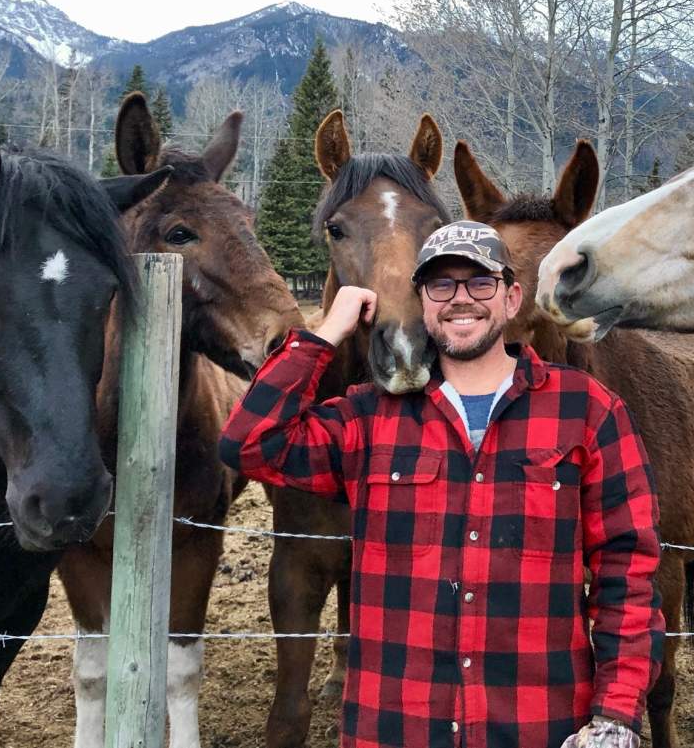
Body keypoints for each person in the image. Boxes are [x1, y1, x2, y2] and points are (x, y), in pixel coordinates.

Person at [220, 220, 663, 748]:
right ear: (422, 304)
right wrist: (324, 334)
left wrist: (616, 714)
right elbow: (249, 443)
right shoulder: (368, 417)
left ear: (512, 298)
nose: (461, 299)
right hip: (395, 730)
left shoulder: (586, 410)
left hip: (537, 726)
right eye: (441, 285)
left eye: (480, 282)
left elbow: (627, 572)